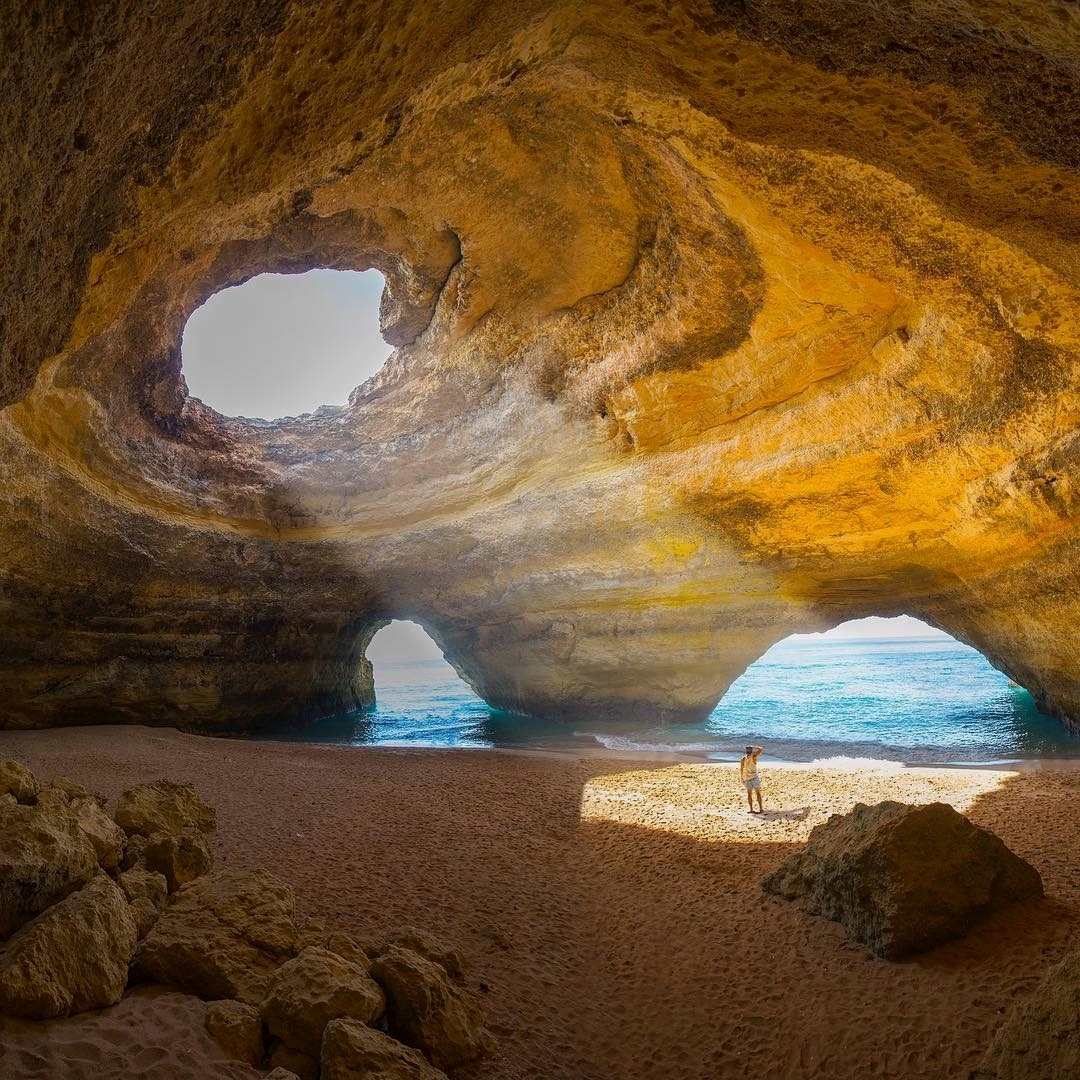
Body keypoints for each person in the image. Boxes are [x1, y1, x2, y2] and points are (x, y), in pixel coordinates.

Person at [739, 744, 764, 813]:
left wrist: (741, 778)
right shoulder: (754, 757)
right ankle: (761, 809)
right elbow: (761, 748)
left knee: (749, 794)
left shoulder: (743, 759)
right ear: (751, 751)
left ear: (746, 751)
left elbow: (741, 769)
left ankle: (751, 809)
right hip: (755, 777)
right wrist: (753, 746)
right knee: (758, 793)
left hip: (747, 778)